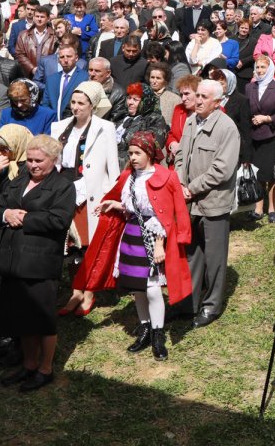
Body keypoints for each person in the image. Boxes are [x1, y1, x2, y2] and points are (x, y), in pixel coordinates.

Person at [76, 132, 192, 361]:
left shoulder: (165, 177)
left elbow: (168, 213)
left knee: (152, 288)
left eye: (137, 153)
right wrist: (115, 203)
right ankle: (145, 329)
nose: (133, 157)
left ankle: (158, 336)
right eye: (130, 153)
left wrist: (160, 244)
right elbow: (133, 206)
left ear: (149, 153)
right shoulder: (129, 176)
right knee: (137, 289)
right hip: (130, 237)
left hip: (150, 239)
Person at [0, 134, 76, 391]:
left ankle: (45, 369)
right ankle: (28, 364)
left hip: (40, 262)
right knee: (21, 317)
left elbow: (59, 220)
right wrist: (6, 213)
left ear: (53, 160)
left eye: (39, 161)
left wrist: (26, 218)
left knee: (42, 318)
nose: (33, 165)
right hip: (13, 259)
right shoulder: (20, 179)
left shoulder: (63, 186)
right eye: (29, 160)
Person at [51, 81, 121, 316]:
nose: (76, 107)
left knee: (88, 243)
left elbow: (112, 166)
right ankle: (75, 291)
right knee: (70, 244)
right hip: (65, 188)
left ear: (92, 106)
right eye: (73, 102)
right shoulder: (61, 127)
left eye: (81, 103)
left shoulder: (105, 128)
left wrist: (112, 197)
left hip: (91, 192)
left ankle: (89, 291)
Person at [176, 78, 240, 328]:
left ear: (216, 102)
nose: (197, 100)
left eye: (203, 97)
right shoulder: (192, 121)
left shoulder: (227, 128)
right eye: (197, 95)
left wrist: (192, 188)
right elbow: (181, 155)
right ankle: (188, 303)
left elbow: (222, 169)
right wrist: (181, 184)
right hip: (189, 201)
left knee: (214, 258)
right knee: (192, 254)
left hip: (213, 202)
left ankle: (211, 306)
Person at [246, 55, 275, 223]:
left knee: (271, 174)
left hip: (272, 136)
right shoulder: (250, 87)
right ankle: (258, 208)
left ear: (270, 69)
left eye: (263, 67)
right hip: (253, 137)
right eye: (257, 67)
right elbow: (245, 110)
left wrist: (267, 119)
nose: (259, 71)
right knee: (257, 174)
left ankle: (272, 208)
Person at [114, 84, 169, 165]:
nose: (130, 102)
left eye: (135, 100)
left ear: (145, 102)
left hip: (135, 167)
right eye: (129, 98)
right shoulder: (121, 117)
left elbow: (150, 147)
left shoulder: (155, 120)